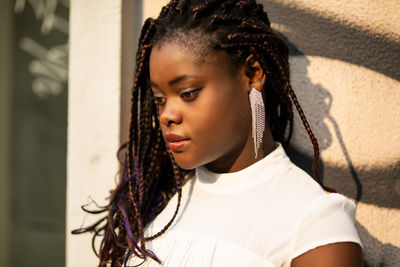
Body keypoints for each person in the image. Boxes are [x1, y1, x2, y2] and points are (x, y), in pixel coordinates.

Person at [73, 0, 364, 266]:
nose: (167, 115)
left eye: (188, 93)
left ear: (252, 75)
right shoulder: (160, 204)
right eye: (160, 99)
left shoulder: (314, 224)